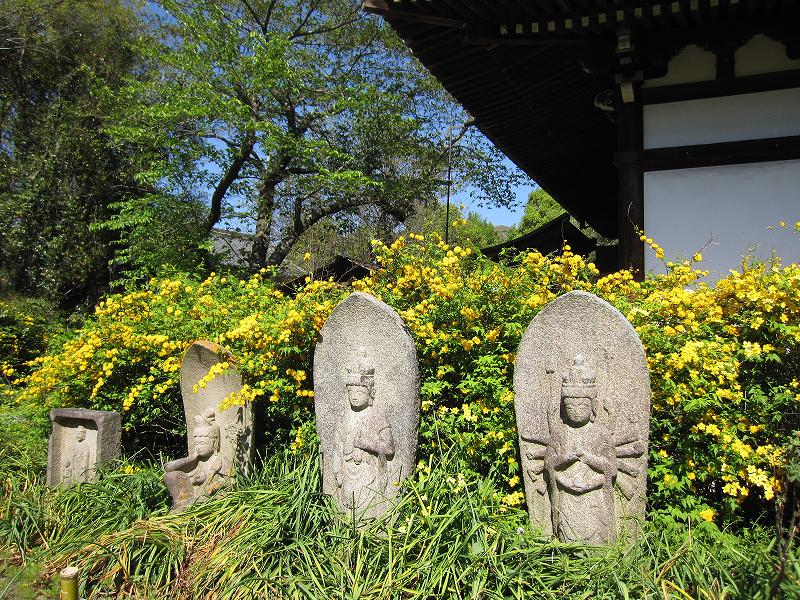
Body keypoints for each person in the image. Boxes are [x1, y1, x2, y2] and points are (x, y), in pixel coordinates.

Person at [545, 355, 616, 543]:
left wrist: (588, 460)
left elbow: (610, 469)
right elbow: (549, 465)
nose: (576, 410)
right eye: (570, 406)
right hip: (567, 497)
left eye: (582, 405)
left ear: (592, 407)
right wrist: (567, 461)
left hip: (594, 499)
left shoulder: (601, 434)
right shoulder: (560, 433)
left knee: (597, 541)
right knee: (568, 540)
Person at [333, 347, 395, 514]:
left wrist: (366, 442)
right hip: (347, 473)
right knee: (347, 513)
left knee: (369, 512)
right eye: (350, 391)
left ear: (371, 393)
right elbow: (337, 446)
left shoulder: (377, 415)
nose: (354, 396)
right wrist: (337, 469)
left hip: (370, 473)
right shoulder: (344, 416)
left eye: (360, 391)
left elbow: (389, 448)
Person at [165, 409, 233, 509]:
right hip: (192, 497)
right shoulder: (198, 461)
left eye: (202, 443)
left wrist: (215, 485)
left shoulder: (222, 461)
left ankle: (184, 508)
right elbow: (169, 468)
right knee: (171, 476)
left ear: (215, 442)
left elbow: (231, 483)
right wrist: (191, 458)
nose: (199, 447)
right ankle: (179, 506)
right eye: (197, 443)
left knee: (195, 501)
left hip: (211, 499)